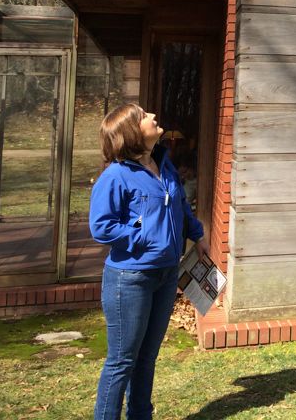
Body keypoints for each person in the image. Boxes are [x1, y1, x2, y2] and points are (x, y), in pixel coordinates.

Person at [89, 103, 208, 420]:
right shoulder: (116, 176)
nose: (153, 117)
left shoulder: (164, 165)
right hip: (130, 279)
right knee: (122, 361)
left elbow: (180, 203)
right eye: (143, 117)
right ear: (131, 133)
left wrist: (198, 235)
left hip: (167, 276)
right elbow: (102, 226)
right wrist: (145, 237)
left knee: (147, 358)